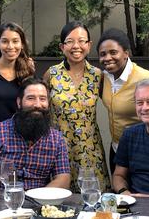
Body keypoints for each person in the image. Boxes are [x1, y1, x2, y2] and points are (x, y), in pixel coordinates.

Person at [43, 21, 110, 192]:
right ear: (62, 47)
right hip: (58, 150)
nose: (76, 46)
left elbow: (113, 105)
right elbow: (40, 108)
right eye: (70, 41)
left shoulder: (98, 75)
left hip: (90, 151)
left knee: (93, 202)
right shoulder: (52, 74)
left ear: (89, 44)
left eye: (81, 41)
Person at [97, 28, 149, 173]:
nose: (107, 58)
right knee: (120, 191)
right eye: (103, 54)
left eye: (113, 52)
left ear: (126, 53)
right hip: (117, 148)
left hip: (143, 150)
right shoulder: (104, 78)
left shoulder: (144, 78)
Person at [0, 77, 70, 190]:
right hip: (0, 201)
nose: (38, 104)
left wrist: (40, 200)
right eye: (31, 98)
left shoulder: (56, 139)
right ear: (19, 102)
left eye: (43, 99)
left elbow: (63, 179)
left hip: (40, 203)